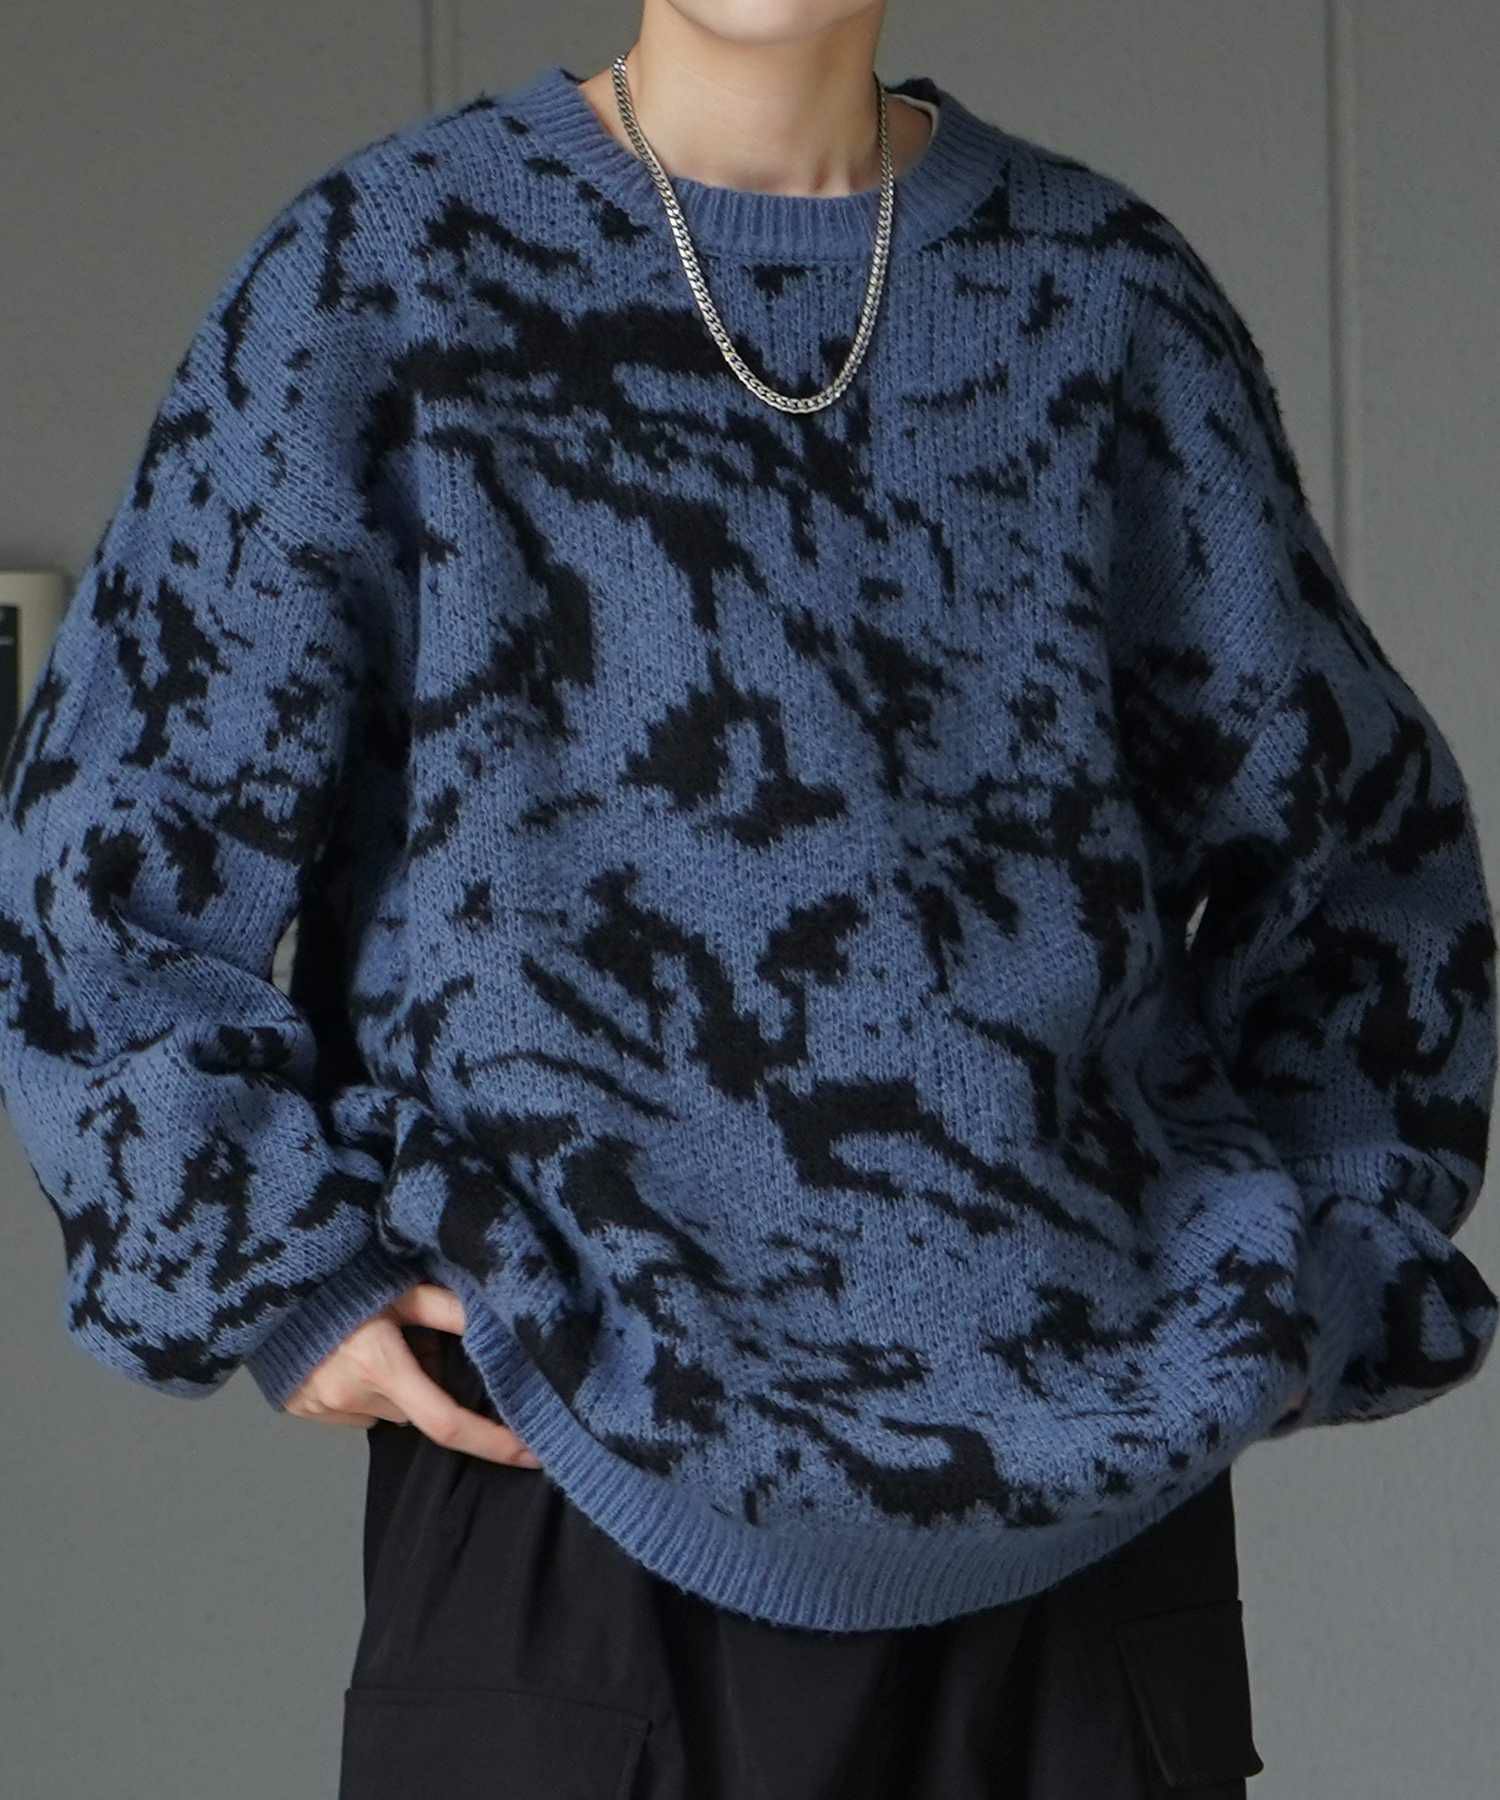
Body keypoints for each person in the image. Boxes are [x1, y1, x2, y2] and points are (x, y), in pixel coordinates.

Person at [2, 3, 1495, 1795]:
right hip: (562, 1480)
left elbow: (1364, 858)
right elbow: (106, 841)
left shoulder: (1105, 296)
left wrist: (1316, 1267)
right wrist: (269, 1265)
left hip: (1088, 1519)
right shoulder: (383, 271)